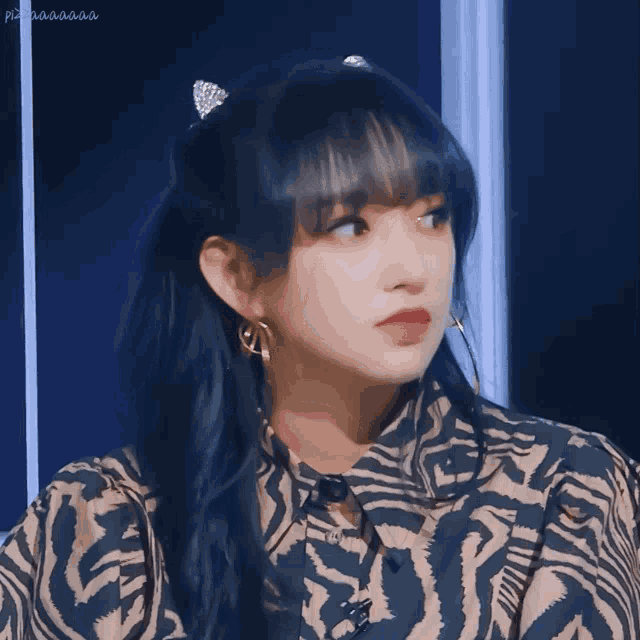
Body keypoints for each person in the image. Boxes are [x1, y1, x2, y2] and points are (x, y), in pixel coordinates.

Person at [0, 54, 638, 640]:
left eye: (433, 217)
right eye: (351, 227)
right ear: (239, 278)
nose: (413, 269)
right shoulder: (106, 523)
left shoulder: (566, 493)